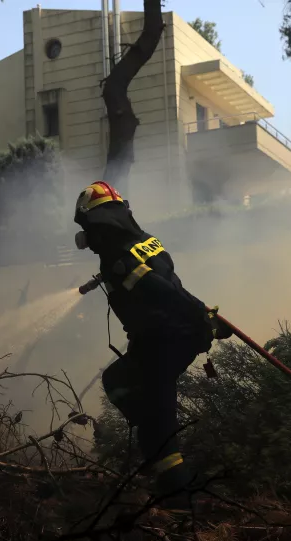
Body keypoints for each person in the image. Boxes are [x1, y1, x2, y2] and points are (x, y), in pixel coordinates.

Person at [73, 180, 230, 501]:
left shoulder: (119, 257)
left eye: (88, 229)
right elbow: (168, 283)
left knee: (159, 433)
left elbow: (160, 290)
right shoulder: (144, 241)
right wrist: (203, 316)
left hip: (163, 344)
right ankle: (155, 440)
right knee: (117, 379)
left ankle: (182, 506)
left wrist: (201, 313)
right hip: (167, 340)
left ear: (99, 223)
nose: (87, 242)